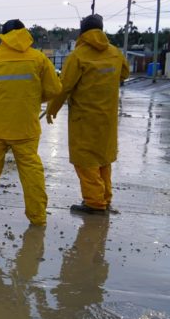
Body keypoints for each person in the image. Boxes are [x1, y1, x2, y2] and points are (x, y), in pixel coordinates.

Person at [0, 19, 61, 226]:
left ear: (2, 36)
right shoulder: (38, 59)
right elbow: (54, 89)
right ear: (24, 33)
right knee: (31, 170)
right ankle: (38, 218)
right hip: (25, 126)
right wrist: (33, 101)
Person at [46, 14, 129, 214]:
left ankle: (94, 202)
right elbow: (124, 74)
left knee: (86, 161)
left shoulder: (78, 56)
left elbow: (64, 87)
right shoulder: (115, 53)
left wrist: (52, 109)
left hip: (84, 118)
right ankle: (105, 198)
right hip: (107, 117)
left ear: (82, 32)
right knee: (103, 159)